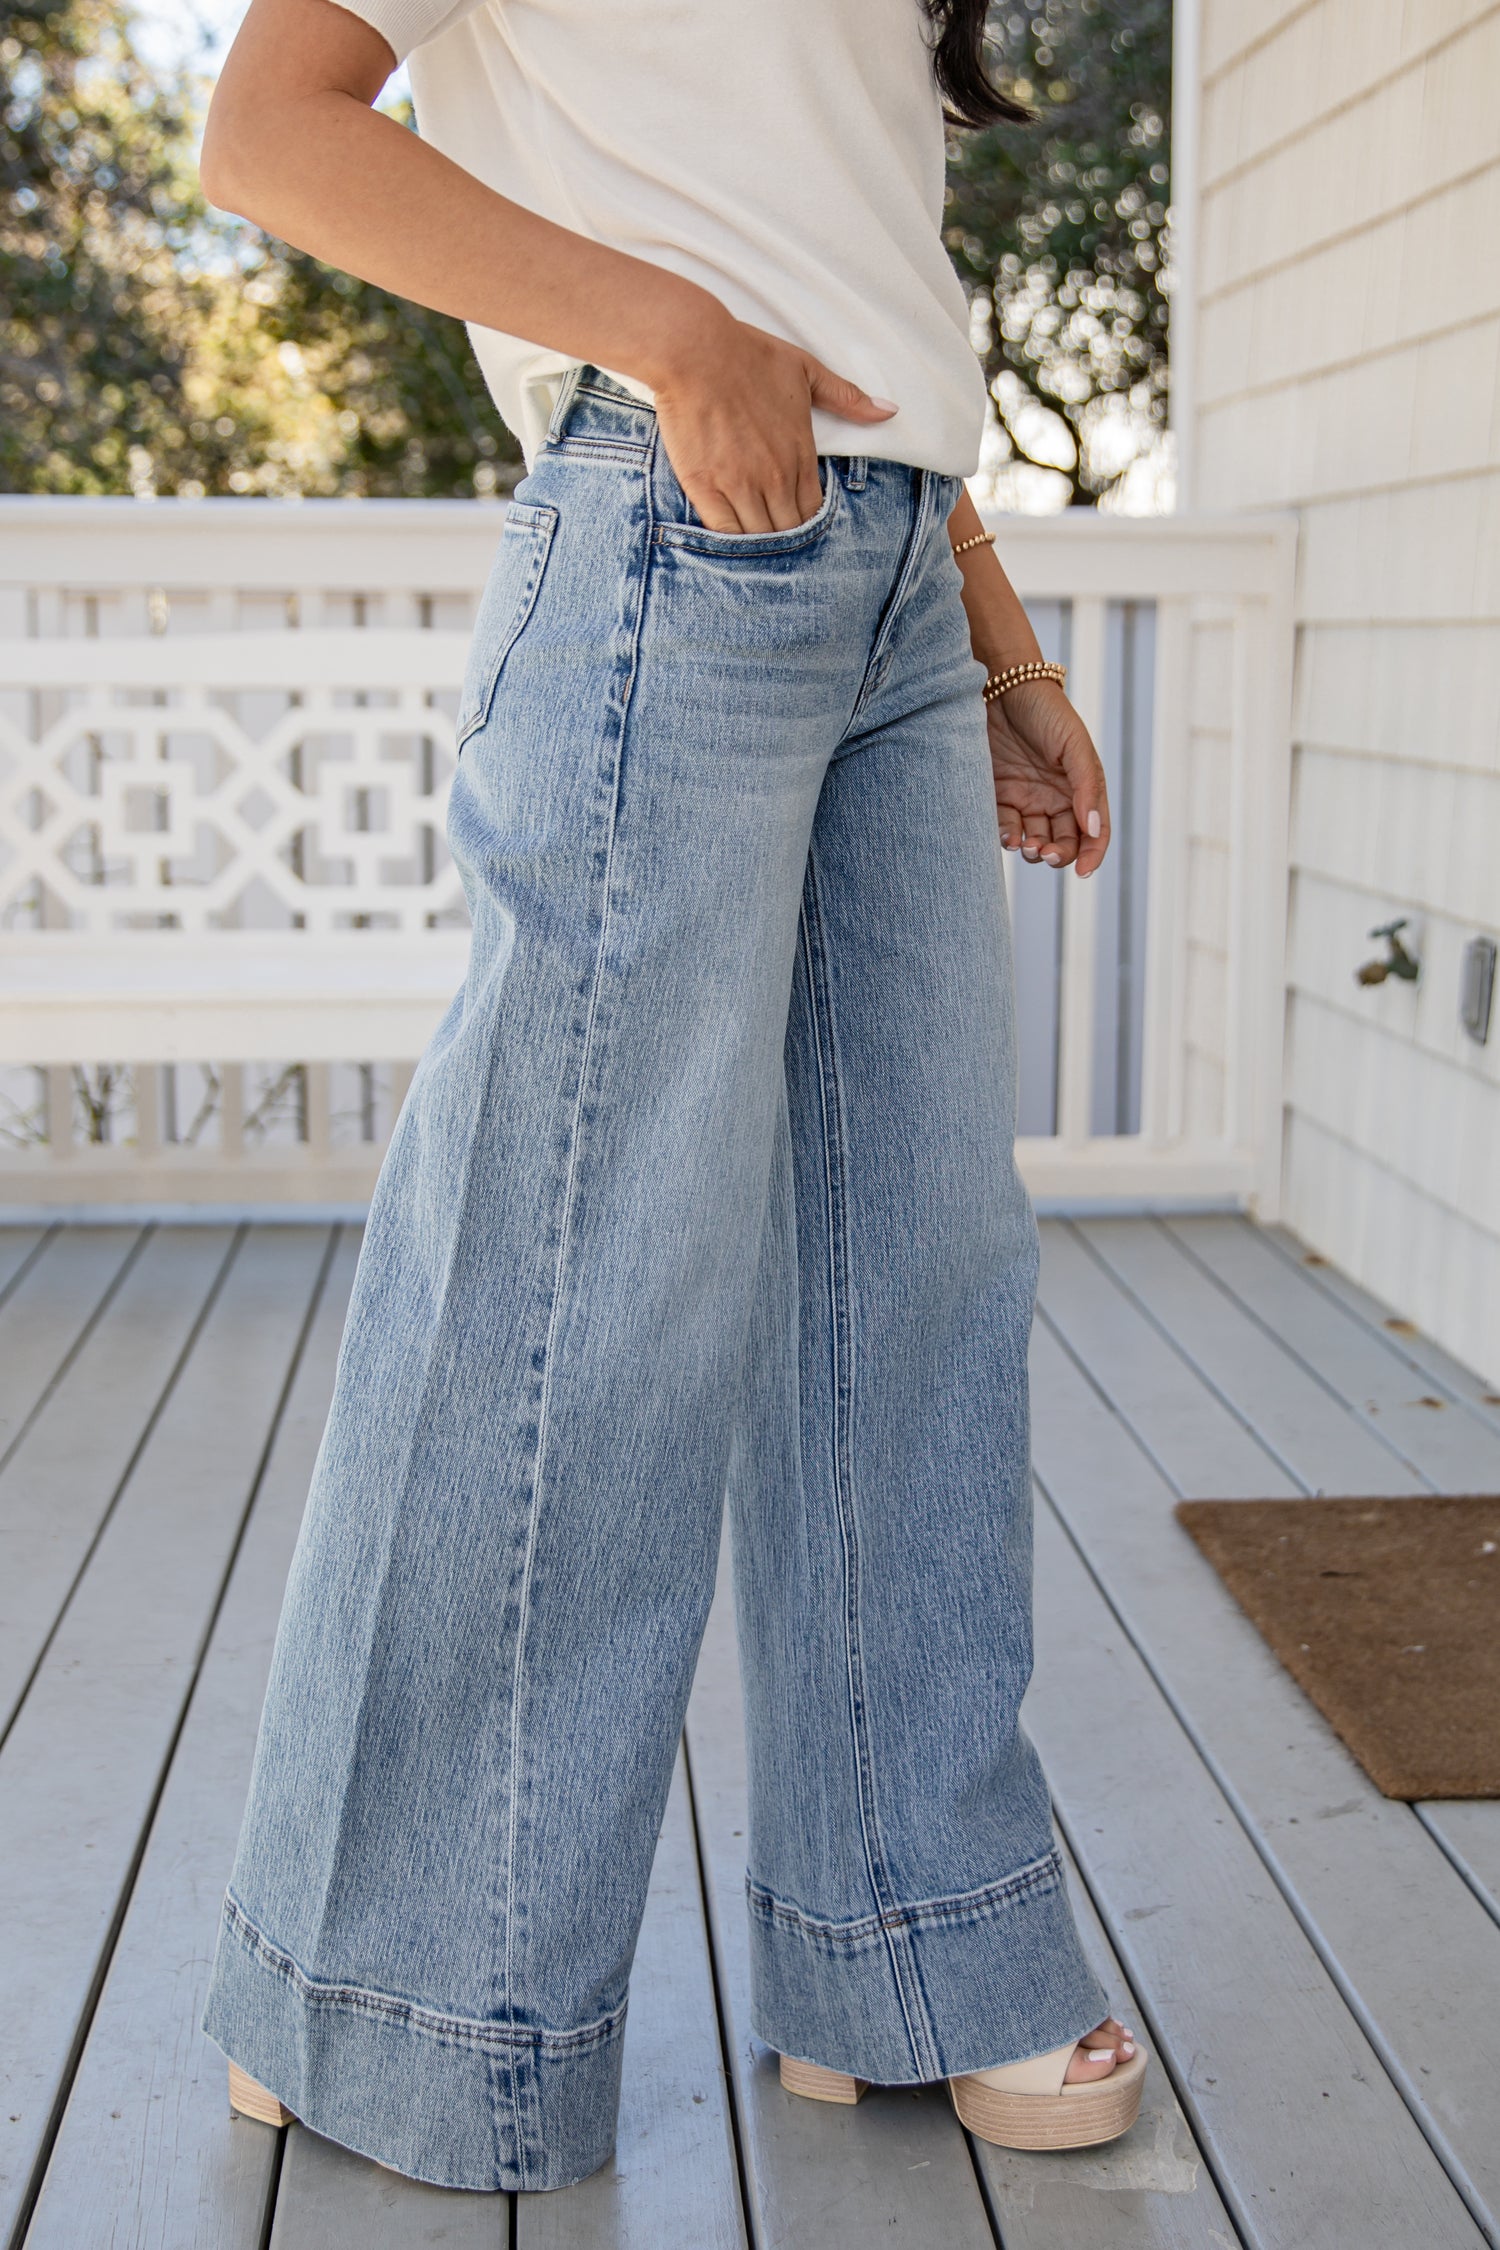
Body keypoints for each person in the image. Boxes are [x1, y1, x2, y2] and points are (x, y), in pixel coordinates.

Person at [198, 0, 1146, 2193]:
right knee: (570, 1289)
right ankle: (391, 1987)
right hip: (669, 533)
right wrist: (664, 332)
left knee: (917, 1278)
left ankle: (915, 1940)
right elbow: (267, 130)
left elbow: (848, 263)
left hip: (898, 570)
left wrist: (997, 635)